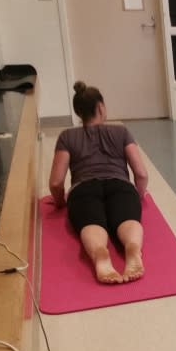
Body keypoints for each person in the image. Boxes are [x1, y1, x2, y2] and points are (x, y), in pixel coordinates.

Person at [48, 81, 148, 284]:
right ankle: (132, 248)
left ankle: (101, 255)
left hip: (83, 190)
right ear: (101, 107)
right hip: (120, 185)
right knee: (126, 219)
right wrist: (138, 195)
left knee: (91, 223)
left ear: (78, 112)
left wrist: (60, 203)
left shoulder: (67, 136)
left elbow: (56, 182)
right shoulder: (121, 132)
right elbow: (141, 173)